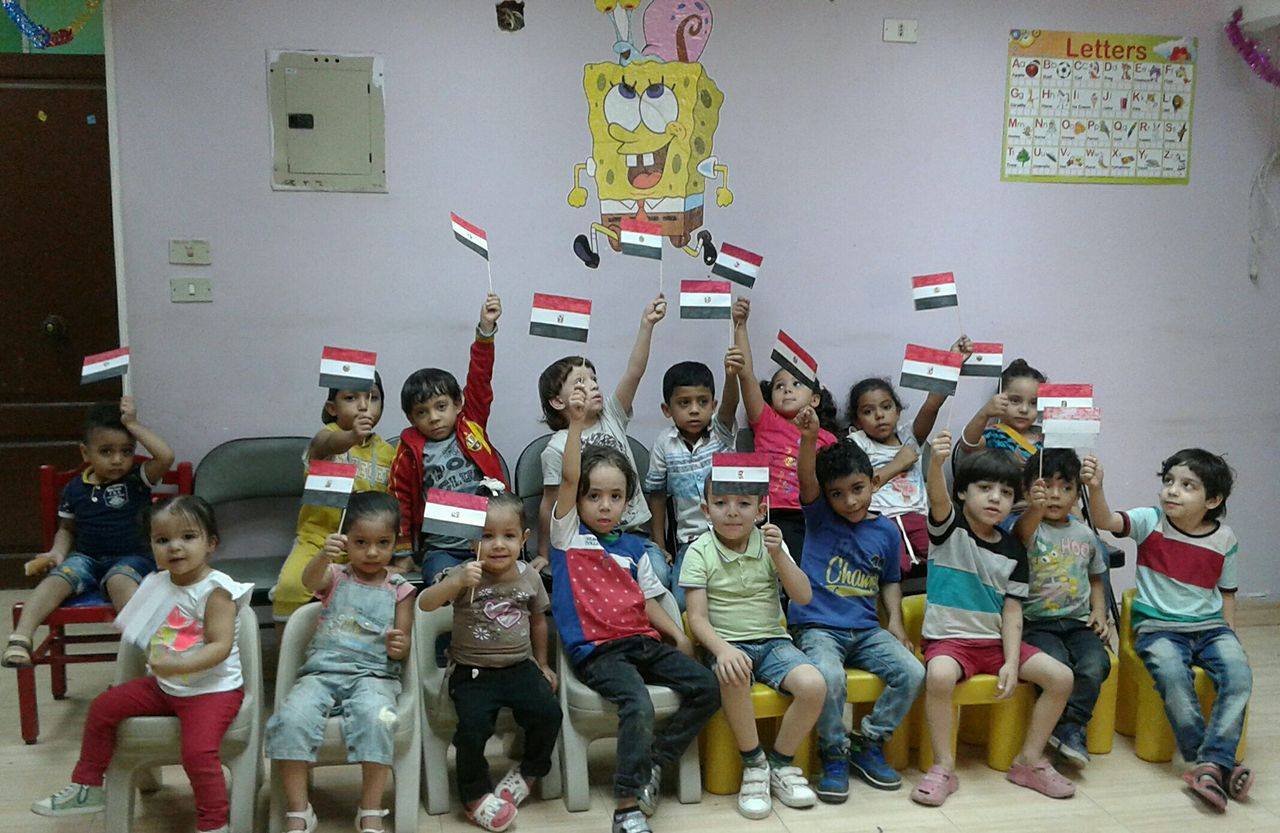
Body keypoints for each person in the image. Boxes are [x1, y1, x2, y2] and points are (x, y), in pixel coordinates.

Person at [549, 381, 719, 833]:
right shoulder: (568, 538)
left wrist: (679, 635)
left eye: (615, 496)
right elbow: (568, 478)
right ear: (579, 500)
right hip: (599, 652)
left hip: (641, 642)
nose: (605, 506)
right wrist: (576, 425)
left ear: (628, 501)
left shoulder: (634, 547)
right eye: (593, 496)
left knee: (707, 686)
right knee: (637, 703)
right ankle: (627, 805)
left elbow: (647, 601)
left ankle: (656, 763)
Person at [32, 497, 251, 833]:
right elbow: (141, 627)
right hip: (164, 686)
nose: (174, 547)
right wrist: (127, 622)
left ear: (211, 543)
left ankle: (214, 823)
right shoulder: (157, 583)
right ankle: (88, 786)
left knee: (197, 754)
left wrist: (178, 664)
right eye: (162, 540)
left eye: (188, 537)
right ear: (151, 546)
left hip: (212, 692)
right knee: (103, 707)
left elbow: (220, 647)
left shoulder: (216, 591)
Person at [911, 431, 1076, 807]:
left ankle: (1029, 761)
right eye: (984, 488)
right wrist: (936, 464)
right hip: (949, 642)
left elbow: (1013, 610)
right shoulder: (949, 530)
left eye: (1005, 492)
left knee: (1061, 677)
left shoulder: (1014, 549)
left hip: (995, 644)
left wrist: (1012, 662)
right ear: (962, 493)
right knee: (939, 676)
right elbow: (937, 497)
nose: (995, 498)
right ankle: (943, 766)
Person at [1083, 449, 1252, 812]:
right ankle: (1212, 763)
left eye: (1188, 485)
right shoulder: (1150, 521)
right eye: (1169, 481)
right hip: (1159, 628)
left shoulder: (1225, 539)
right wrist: (1096, 487)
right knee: (1174, 677)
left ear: (1213, 500)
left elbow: (1227, 594)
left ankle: (1213, 763)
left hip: (1211, 628)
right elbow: (1104, 520)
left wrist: (1231, 636)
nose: (1172, 491)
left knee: (1239, 675)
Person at [789, 407, 925, 802]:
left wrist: (895, 623)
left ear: (873, 482)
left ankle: (869, 742)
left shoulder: (886, 531)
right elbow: (806, 478)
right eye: (837, 494)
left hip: (866, 631)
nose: (849, 501)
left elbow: (890, 581)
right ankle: (833, 751)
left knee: (913, 671)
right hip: (817, 628)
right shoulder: (819, 517)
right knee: (830, 678)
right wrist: (809, 438)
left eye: (857, 488)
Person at [266, 492, 414, 833]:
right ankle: (299, 809)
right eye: (361, 542)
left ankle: (370, 807)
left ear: (395, 542)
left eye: (382, 543)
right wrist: (323, 555)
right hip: (320, 673)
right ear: (345, 540)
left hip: (374, 677)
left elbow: (402, 644)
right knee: (289, 719)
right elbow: (308, 582)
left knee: (377, 720)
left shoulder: (400, 589)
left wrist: (400, 644)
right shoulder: (335, 575)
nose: (372, 552)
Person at [418, 490, 561, 832]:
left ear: (523, 539)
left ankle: (529, 771)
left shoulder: (529, 577)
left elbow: (538, 621)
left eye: (508, 536)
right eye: (486, 536)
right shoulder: (464, 574)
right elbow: (425, 604)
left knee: (548, 712)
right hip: (472, 671)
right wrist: (454, 582)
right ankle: (474, 795)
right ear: (472, 542)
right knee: (471, 729)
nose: (498, 545)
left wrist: (542, 663)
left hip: (520, 666)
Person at [681, 478, 822, 818]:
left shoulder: (771, 542)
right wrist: (723, 650)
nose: (732, 512)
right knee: (734, 674)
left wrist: (778, 554)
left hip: (773, 642)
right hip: (726, 644)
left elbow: (803, 596)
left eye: (743, 504)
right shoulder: (699, 550)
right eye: (721, 504)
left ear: (761, 510)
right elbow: (696, 618)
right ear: (706, 510)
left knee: (814, 685)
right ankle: (754, 763)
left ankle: (780, 763)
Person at [5, 397, 174, 667]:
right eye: (106, 451)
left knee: (119, 580)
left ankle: (153, 652)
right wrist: (57, 553)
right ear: (85, 453)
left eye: (126, 451)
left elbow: (166, 457)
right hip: (86, 558)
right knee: (56, 580)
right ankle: (20, 639)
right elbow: (66, 529)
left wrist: (132, 424)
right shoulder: (74, 489)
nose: (118, 460)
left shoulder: (137, 479)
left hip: (131, 558)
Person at [536, 294, 670, 585]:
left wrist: (646, 325)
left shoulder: (612, 415)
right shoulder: (556, 447)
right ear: (558, 402)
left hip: (633, 533)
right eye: (580, 382)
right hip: (588, 539)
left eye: (594, 379)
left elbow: (634, 372)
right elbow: (550, 503)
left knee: (659, 574)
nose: (593, 386)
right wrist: (544, 553)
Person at [389, 293, 508, 583]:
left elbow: (480, 378)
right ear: (411, 418)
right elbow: (400, 502)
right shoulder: (408, 451)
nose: (433, 417)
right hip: (441, 549)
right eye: (422, 412)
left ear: (458, 404)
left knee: (503, 586)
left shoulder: (471, 424)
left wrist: (485, 331)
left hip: (487, 541)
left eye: (441, 407)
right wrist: (403, 555)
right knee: (444, 584)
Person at [1013, 449, 1111, 767]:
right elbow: (1022, 532)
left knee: (1096, 664)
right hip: (1036, 623)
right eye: (1047, 486)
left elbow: (1096, 577)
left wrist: (1099, 612)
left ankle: (1069, 726)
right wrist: (1035, 507)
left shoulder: (1085, 534)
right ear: (1029, 490)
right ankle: (1063, 729)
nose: (1055, 495)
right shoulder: (1029, 527)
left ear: (1077, 495)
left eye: (1066, 488)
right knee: (1058, 667)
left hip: (1078, 622)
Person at [844, 336, 971, 580]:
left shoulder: (909, 436)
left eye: (886, 407)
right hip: (879, 520)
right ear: (857, 421)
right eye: (868, 411)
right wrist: (898, 464)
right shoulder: (857, 443)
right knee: (892, 569)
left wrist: (952, 360)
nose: (879, 415)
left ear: (898, 410)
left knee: (942, 563)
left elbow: (932, 404)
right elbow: (858, 486)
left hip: (918, 516)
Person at [272, 374, 395, 623]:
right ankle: (286, 648)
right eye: (350, 398)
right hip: (317, 539)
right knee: (291, 587)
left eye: (372, 398)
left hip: (366, 544)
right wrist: (352, 437)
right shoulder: (324, 439)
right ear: (332, 408)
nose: (363, 406)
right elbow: (327, 444)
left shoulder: (388, 453)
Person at [732, 298, 838, 567]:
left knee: (802, 571)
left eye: (796, 384)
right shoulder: (766, 420)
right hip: (765, 514)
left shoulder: (827, 438)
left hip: (806, 516)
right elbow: (745, 374)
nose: (787, 389)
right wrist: (740, 325)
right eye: (779, 386)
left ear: (815, 399)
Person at [644, 332, 744, 609]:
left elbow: (731, 404)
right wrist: (659, 544)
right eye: (684, 403)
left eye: (702, 402)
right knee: (681, 602)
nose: (694, 410)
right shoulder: (664, 444)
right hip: (691, 542)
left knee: (731, 597)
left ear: (713, 405)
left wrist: (731, 375)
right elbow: (657, 496)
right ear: (667, 409)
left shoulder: (722, 433)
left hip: (731, 535)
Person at [957, 358, 1046, 464]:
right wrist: (984, 413)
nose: (1024, 409)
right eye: (1015, 401)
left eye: (1033, 403)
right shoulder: (994, 434)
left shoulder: (1044, 438)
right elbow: (968, 445)